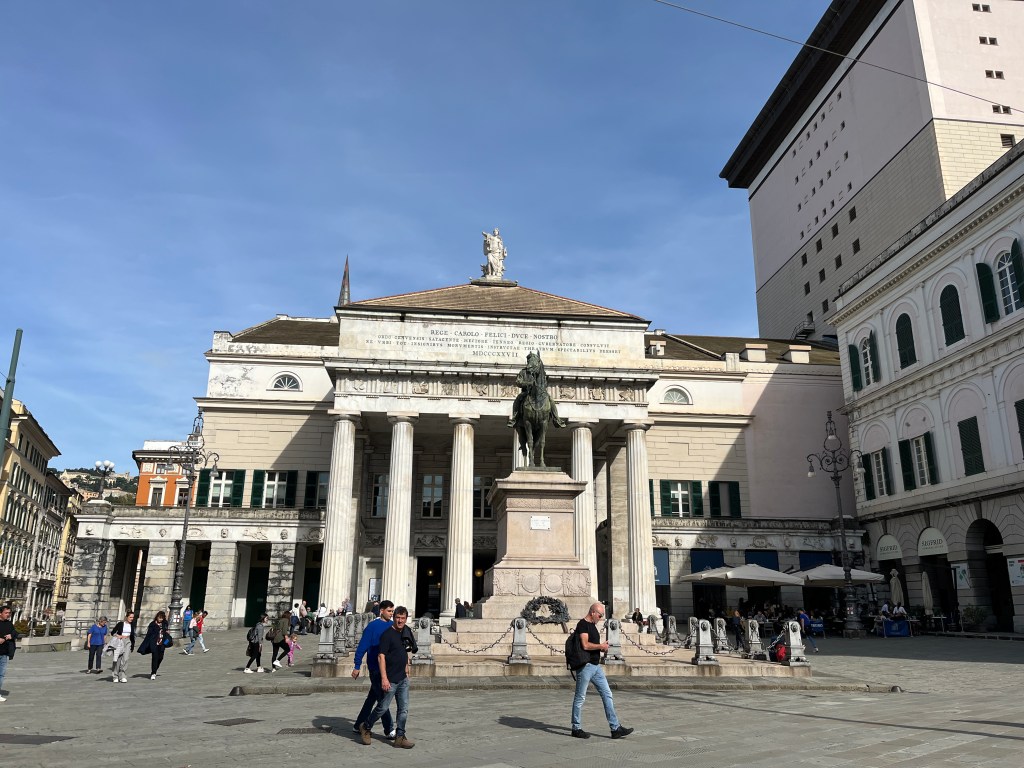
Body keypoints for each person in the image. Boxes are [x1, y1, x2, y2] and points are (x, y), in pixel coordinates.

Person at [570, 602, 633, 740]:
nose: (601, 618)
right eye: (600, 615)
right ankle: (576, 728)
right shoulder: (583, 625)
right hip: (585, 666)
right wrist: (600, 646)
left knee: (607, 694)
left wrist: (601, 648)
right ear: (592, 612)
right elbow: (585, 645)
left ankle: (615, 728)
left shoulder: (592, 625)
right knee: (580, 697)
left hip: (595, 666)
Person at [358, 605, 415, 749]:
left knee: (403, 709)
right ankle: (366, 726)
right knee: (382, 707)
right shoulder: (387, 634)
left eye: (403, 618)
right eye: (398, 618)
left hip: (402, 678)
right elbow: (381, 657)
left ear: (406, 619)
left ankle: (400, 736)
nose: (400, 621)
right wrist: (384, 678)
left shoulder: (405, 632)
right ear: (394, 618)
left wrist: (406, 667)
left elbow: (404, 651)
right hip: (390, 678)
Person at [351, 600, 396, 740]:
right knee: (383, 699)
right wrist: (357, 665)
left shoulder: (392, 625)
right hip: (375, 668)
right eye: (389, 611)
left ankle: (358, 724)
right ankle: (389, 729)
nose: (391, 613)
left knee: (372, 698)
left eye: (392, 611)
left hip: (388, 668)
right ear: (381, 610)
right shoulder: (372, 627)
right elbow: (362, 646)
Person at [138, 610, 170, 679]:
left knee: (160, 657)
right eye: (159, 618)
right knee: (155, 658)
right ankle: (153, 673)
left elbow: (167, 633)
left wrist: (166, 641)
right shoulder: (152, 624)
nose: (160, 619)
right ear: (157, 617)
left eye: (162, 618)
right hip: (154, 644)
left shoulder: (164, 623)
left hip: (162, 643)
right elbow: (148, 635)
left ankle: (155, 669)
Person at [0, 604, 20, 702]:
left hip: (4, 653)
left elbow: (15, 633)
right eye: (6, 613)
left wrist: (10, 636)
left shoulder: (9, 623)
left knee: (1, 674)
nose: (8, 615)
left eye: (9, 613)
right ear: (0, 613)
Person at [109, 610, 136, 683]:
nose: (132, 619)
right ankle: (115, 676)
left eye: (133, 617)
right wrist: (118, 636)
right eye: (130, 617)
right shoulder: (120, 624)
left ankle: (123, 676)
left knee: (125, 659)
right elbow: (113, 632)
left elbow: (133, 636)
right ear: (126, 617)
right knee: (117, 659)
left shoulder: (132, 625)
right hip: (120, 642)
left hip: (128, 642)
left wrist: (132, 645)